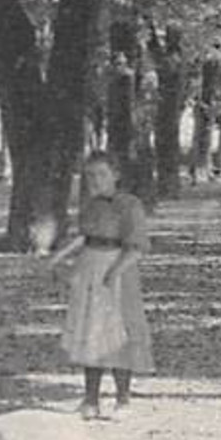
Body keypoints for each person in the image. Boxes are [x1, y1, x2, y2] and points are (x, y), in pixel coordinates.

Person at [47, 152, 154, 420]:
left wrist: (114, 272)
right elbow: (85, 237)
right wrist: (58, 257)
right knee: (90, 330)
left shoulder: (130, 205)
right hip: (89, 266)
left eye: (101, 174)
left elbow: (137, 247)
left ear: (115, 175)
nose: (95, 180)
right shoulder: (91, 205)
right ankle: (90, 399)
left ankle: (123, 399)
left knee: (117, 332)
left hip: (118, 268)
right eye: (90, 175)